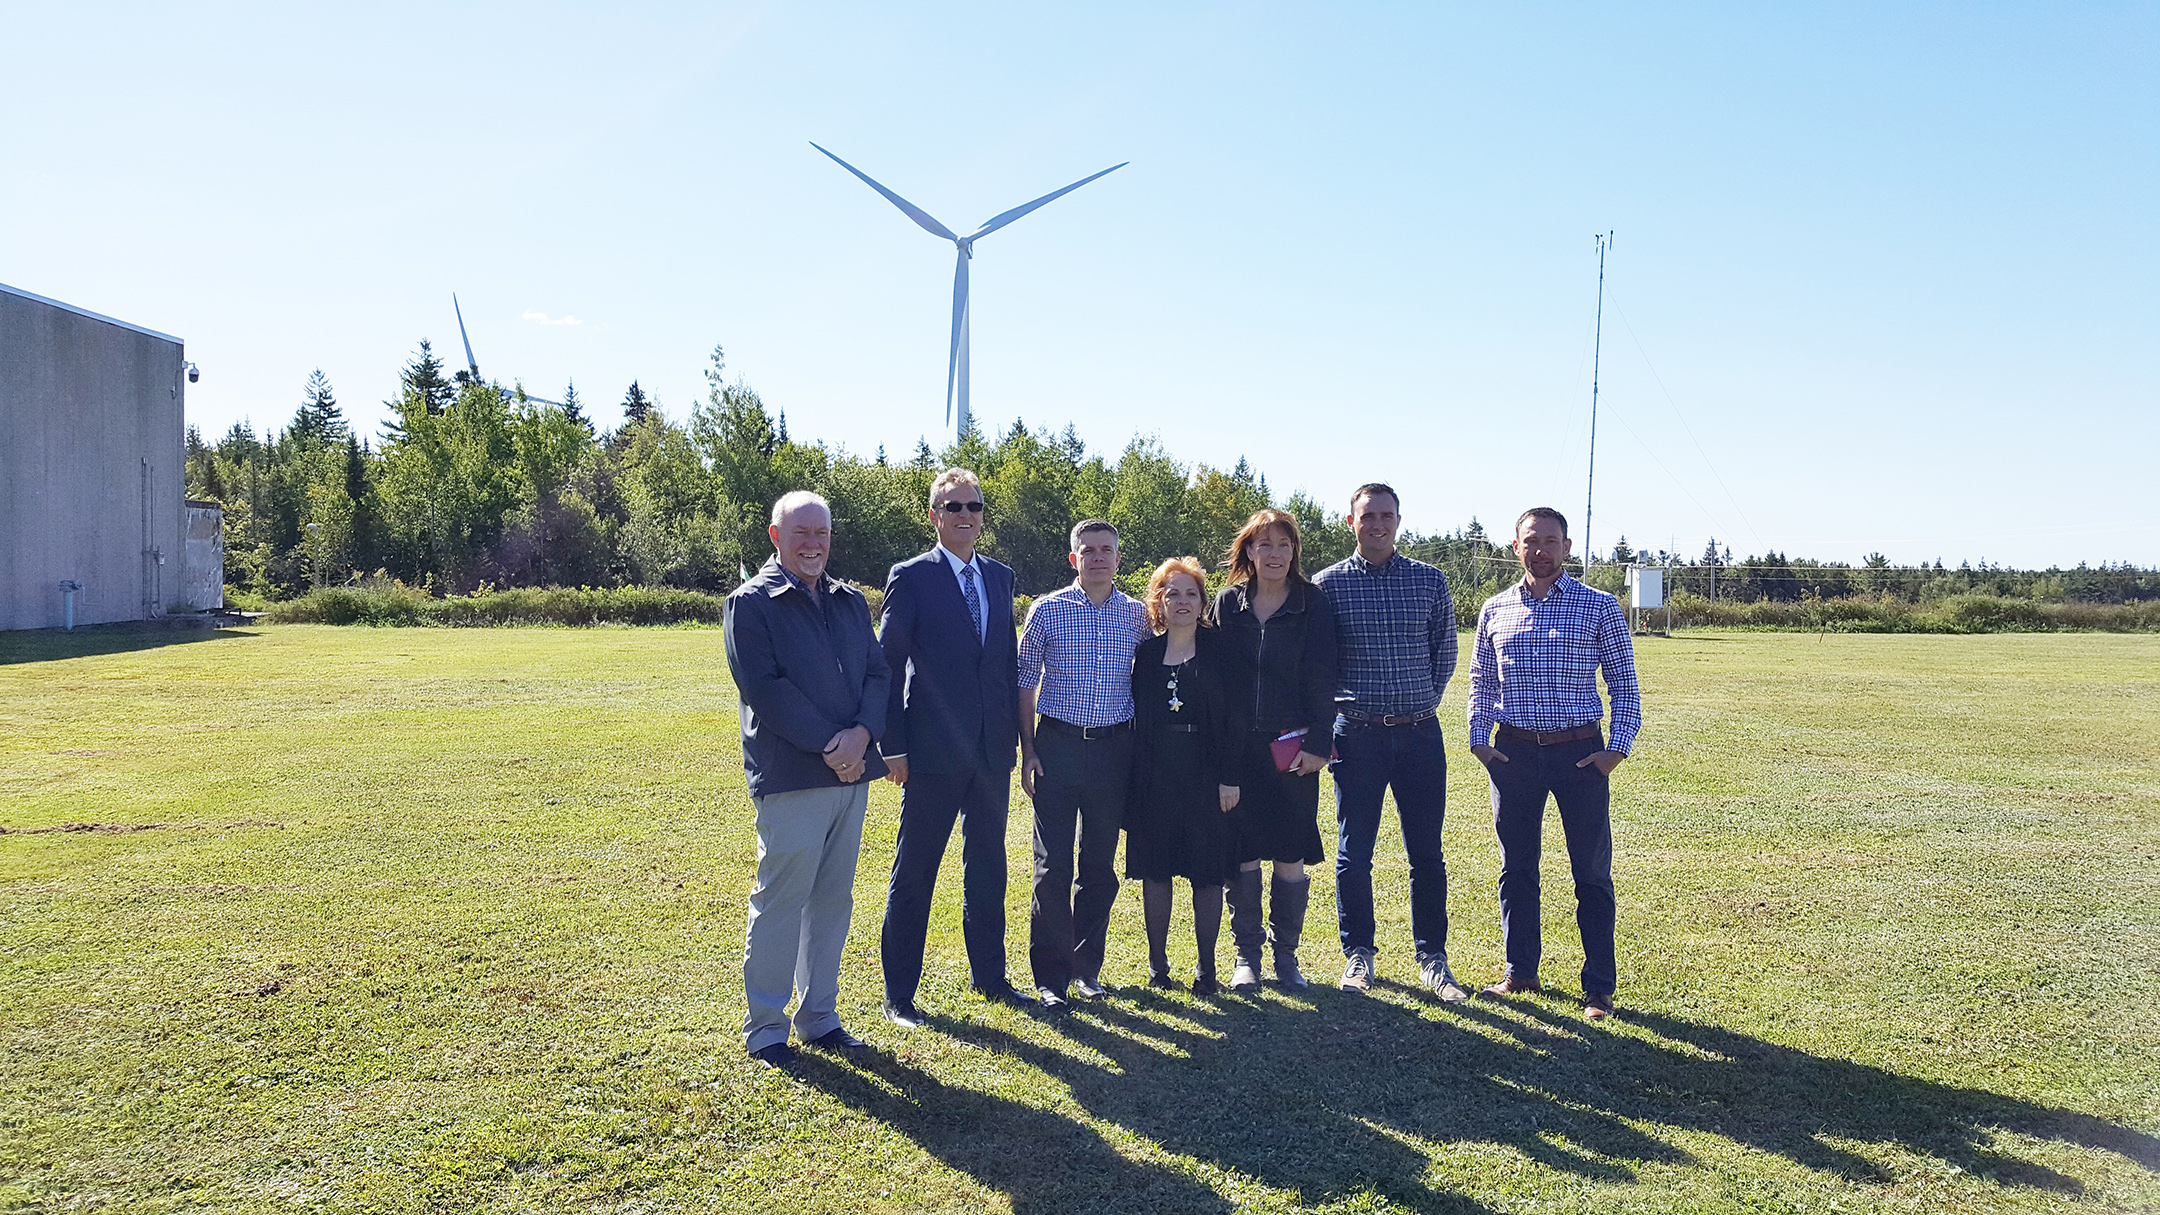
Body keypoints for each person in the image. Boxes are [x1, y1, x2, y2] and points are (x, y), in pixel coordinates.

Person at [723, 491, 890, 1068]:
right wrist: (831, 744)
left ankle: (819, 1017)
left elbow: (876, 671)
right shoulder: (751, 604)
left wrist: (863, 734)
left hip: (852, 773)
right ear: (776, 536)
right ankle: (766, 1029)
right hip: (793, 774)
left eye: (821, 533)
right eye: (801, 534)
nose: (813, 544)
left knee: (832, 899)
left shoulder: (848, 602)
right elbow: (766, 690)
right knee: (781, 900)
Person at [1467, 507, 1642, 1021]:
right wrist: (1480, 741)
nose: (1541, 550)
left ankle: (1598, 988)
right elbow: (1482, 681)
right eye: (1531, 541)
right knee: (1516, 868)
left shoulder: (1599, 607)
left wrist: (1616, 749)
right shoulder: (1494, 610)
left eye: (1551, 541)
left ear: (1567, 547)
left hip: (1580, 755)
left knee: (1590, 871)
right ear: (1515, 546)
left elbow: (1624, 686)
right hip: (1513, 753)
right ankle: (1520, 971)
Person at [876, 469, 1030, 1026]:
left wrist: (1020, 742)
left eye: (974, 506)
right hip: (932, 751)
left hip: (992, 751)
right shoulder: (911, 577)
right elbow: (887, 665)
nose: (965, 515)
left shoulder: (1000, 578)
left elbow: (1005, 664)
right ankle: (899, 996)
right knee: (916, 870)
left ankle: (990, 978)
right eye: (953, 506)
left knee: (988, 866)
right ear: (934, 515)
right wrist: (891, 745)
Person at [1312, 483, 1467, 1002]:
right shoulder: (1327, 585)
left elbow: (1444, 652)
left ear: (1399, 520)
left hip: (1420, 734)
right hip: (1355, 736)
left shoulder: (1429, 581)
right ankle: (1359, 955)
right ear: (1350, 522)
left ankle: (1433, 959)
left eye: (1386, 515)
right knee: (1354, 852)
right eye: (1367, 516)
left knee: (1426, 852)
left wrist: (1418, 702)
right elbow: (1320, 662)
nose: (1377, 524)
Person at [1016, 519, 1154, 1008]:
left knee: (1099, 864)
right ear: (1074, 559)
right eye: (1087, 550)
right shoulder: (1047, 610)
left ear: (1119, 559)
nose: (1097, 557)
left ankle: (1085, 967)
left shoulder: (1139, 616)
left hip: (1113, 751)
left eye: (1106, 550)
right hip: (1057, 746)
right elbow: (1025, 682)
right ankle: (1050, 978)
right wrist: (1028, 749)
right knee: (1052, 865)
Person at [1212, 509, 1338, 991]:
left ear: (1294, 552)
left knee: (1289, 853)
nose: (1274, 554)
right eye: (1264, 545)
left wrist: (1319, 744)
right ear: (1248, 551)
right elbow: (1219, 685)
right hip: (1239, 750)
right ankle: (1247, 956)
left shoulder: (1312, 603)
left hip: (1293, 752)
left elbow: (1323, 678)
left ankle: (1287, 956)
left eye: (1283, 545)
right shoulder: (1227, 604)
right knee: (1242, 853)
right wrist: (1223, 759)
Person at [1126, 557, 1242, 992]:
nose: (1182, 601)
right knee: (1156, 871)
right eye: (1172, 593)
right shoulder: (1147, 652)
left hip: (1207, 774)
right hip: (1155, 774)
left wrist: (1230, 777)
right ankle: (1158, 968)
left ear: (1202, 601)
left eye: (1191, 593)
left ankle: (1207, 970)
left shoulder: (1220, 651)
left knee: (1206, 872)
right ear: (1159, 601)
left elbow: (1234, 720)